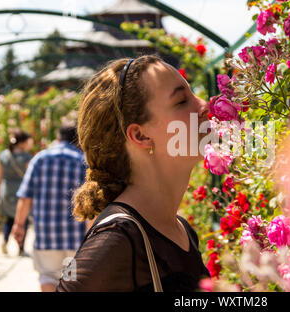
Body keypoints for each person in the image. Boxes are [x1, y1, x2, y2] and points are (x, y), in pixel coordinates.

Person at [56, 55, 211, 292]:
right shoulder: (118, 239)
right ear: (141, 136)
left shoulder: (179, 228)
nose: (204, 105)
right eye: (182, 101)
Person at [12, 125, 87, 292]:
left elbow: (25, 197)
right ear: (78, 141)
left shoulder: (39, 159)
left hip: (46, 237)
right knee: (71, 280)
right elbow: (90, 203)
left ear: (58, 138)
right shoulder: (82, 161)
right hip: (75, 239)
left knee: (47, 277)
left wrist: (18, 225)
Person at [0, 130, 33, 256]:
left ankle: (5, 241)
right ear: (22, 142)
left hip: (6, 190)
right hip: (21, 191)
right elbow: (30, 176)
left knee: (9, 218)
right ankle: (20, 248)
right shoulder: (26, 157)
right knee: (22, 219)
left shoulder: (3, 155)